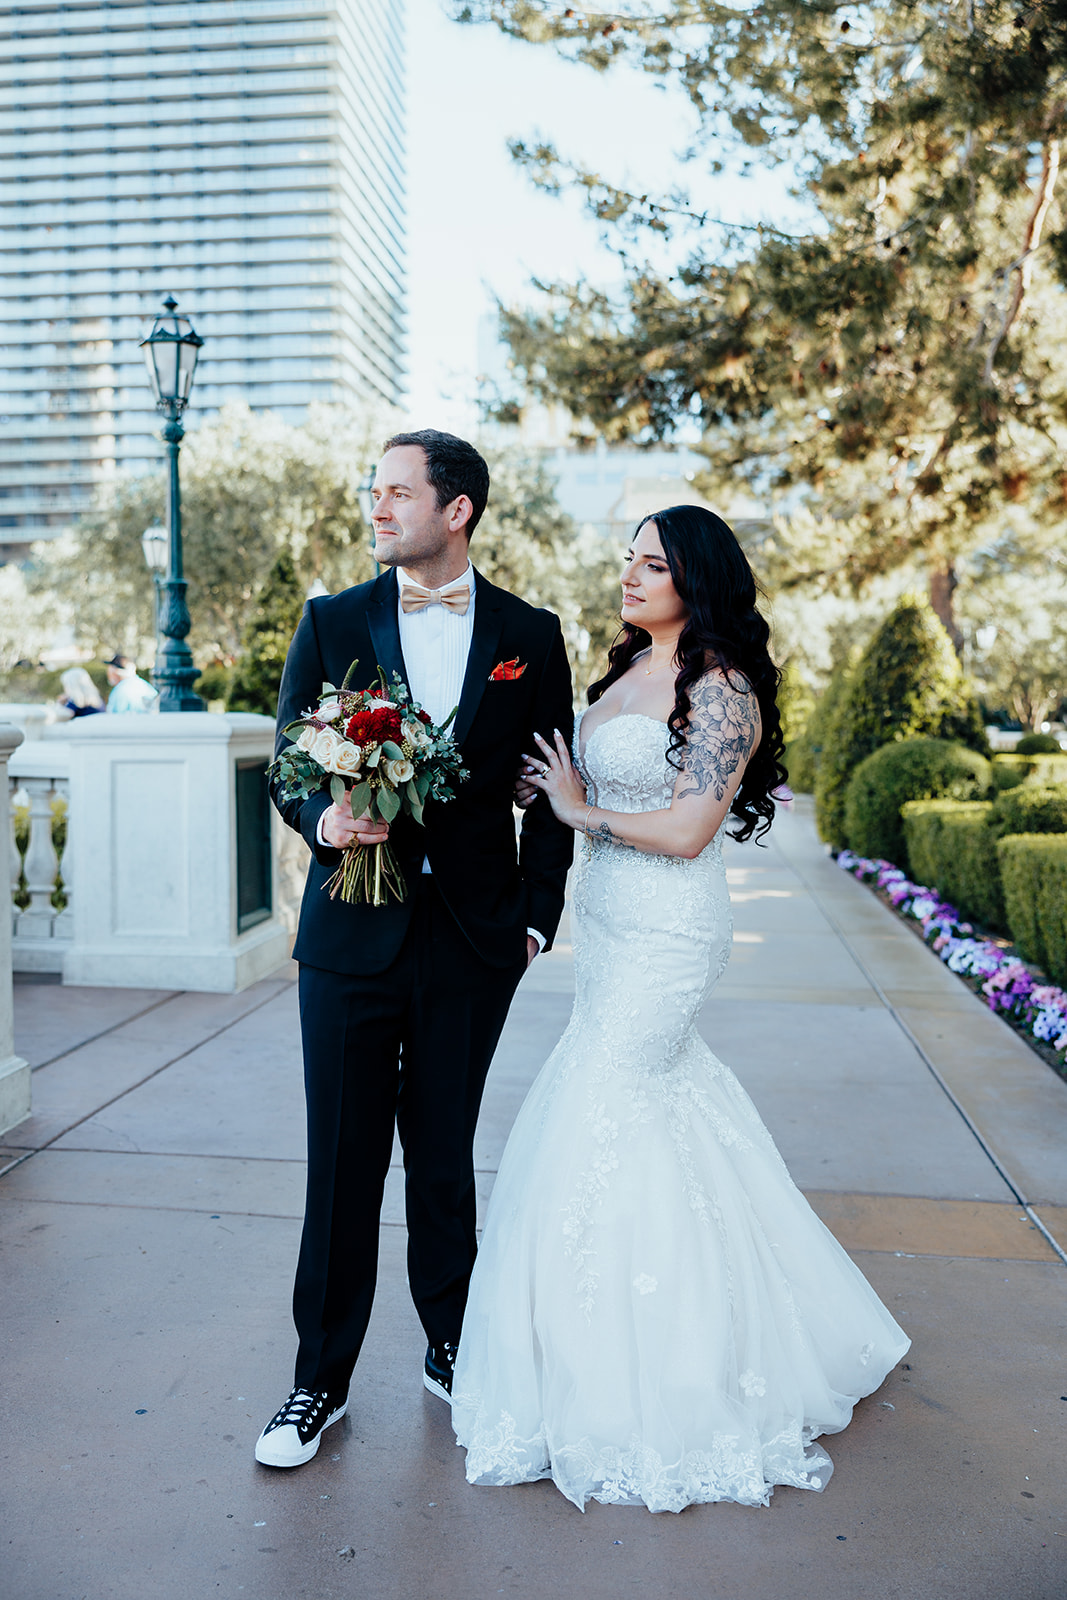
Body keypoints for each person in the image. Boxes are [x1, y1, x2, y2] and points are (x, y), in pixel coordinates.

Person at [450, 505, 909, 1512]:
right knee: (654, 1102)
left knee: (604, 1100)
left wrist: (581, 812)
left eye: (651, 562)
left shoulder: (723, 687)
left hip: (669, 930)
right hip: (607, 926)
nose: (629, 574)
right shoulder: (619, 675)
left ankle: (652, 1373)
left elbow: (692, 826)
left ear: (695, 578)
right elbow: (572, 783)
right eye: (625, 557)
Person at [256, 430, 574, 1469]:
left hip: (474, 942)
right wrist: (322, 821)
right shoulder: (332, 619)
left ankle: (451, 1345)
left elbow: (552, 791)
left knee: (441, 1155)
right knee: (342, 1163)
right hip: (350, 934)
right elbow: (285, 762)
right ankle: (318, 1384)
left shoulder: (530, 632)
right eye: (373, 489)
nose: (377, 506)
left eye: (398, 491)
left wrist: (535, 917)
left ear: (458, 509)